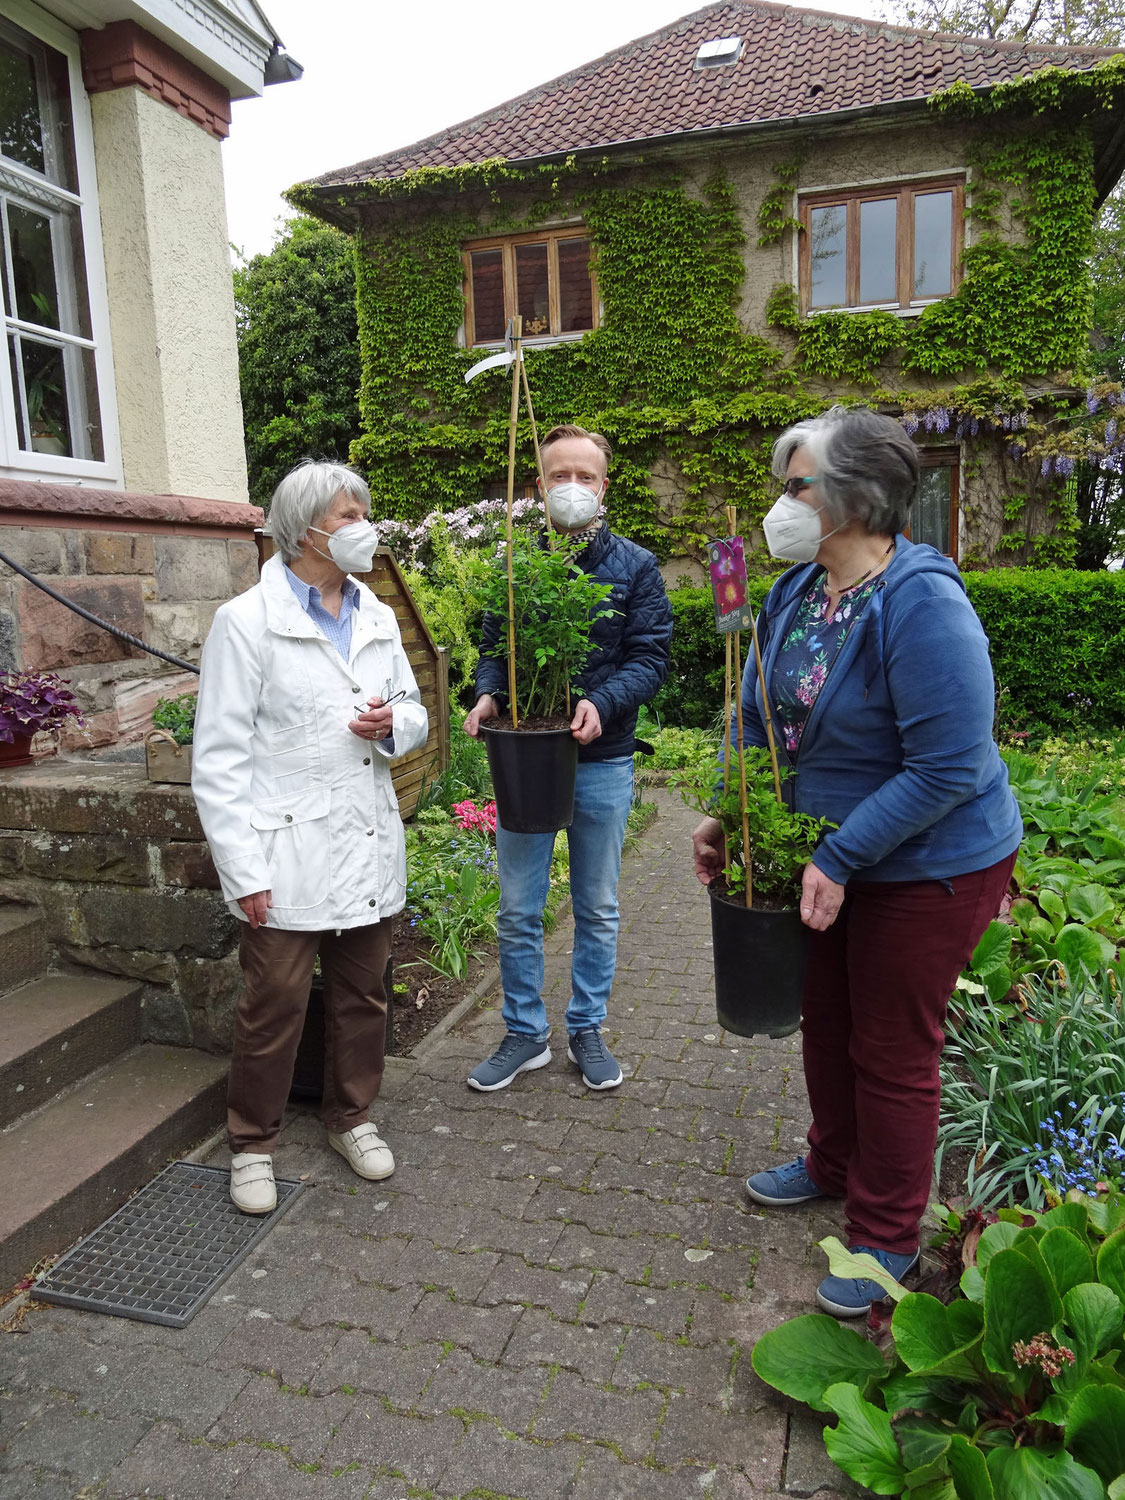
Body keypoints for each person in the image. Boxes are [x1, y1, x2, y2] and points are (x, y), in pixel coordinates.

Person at [691, 405, 1021, 1317]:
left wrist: (836, 854)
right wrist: (734, 809)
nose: (780, 503)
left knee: (890, 1049)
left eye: (795, 486)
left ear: (855, 498)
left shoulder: (921, 601)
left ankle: (885, 1237)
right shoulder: (799, 589)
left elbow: (950, 766)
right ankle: (831, 1162)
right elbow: (755, 710)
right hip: (832, 859)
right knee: (826, 1016)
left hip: (930, 866)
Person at [192, 460, 428, 1214]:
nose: (363, 524)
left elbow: (414, 708)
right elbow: (219, 759)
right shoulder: (245, 621)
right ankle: (252, 1141)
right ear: (304, 530)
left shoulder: (377, 614)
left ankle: (350, 1117)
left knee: (363, 996)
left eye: (364, 508)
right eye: (347, 512)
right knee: (273, 1005)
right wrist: (242, 869)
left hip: (363, 834)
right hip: (283, 850)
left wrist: (395, 724)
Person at [463, 424, 673, 1093]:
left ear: (604, 486)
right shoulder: (515, 565)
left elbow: (650, 657)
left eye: (586, 476)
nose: (573, 488)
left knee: (597, 905)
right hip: (526, 754)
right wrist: (489, 692)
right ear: (538, 486)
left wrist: (604, 703)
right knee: (519, 906)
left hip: (603, 757)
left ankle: (586, 1027)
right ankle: (523, 1033)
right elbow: (493, 644)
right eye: (560, 476)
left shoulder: (635, 567)